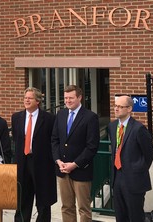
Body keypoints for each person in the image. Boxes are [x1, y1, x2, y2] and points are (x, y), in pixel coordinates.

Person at [51, 85, 100, 222]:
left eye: (71, 98)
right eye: (65, 98)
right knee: (66, 207)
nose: (67, 101)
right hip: (62, 170)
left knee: (83, 209)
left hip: (81, 171)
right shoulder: (60, 114)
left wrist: (75, 164)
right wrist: (58, 160)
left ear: (79, 98)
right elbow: (54, 140)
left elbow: (92, 147)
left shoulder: (90, 117)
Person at [12, 87, 57, 222]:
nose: (26, 100)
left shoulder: (49, 119)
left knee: (43, 199)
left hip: (42, 163)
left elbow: (52, 141)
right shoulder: (16, 117)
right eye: (25, 98)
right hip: (22, 161)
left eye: (30, 98)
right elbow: (16, 139)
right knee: (22, 197)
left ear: (38, 101)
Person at [108, 95, 153, 222]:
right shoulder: (112, 127)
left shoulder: (138, 128)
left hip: (134, 180)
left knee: (135, 216)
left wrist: (138, 169)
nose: (116, 109)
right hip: (117, 177)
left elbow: (149, 153)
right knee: (120, 215)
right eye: (115, 106)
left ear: (129, 109)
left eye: (120, 107)